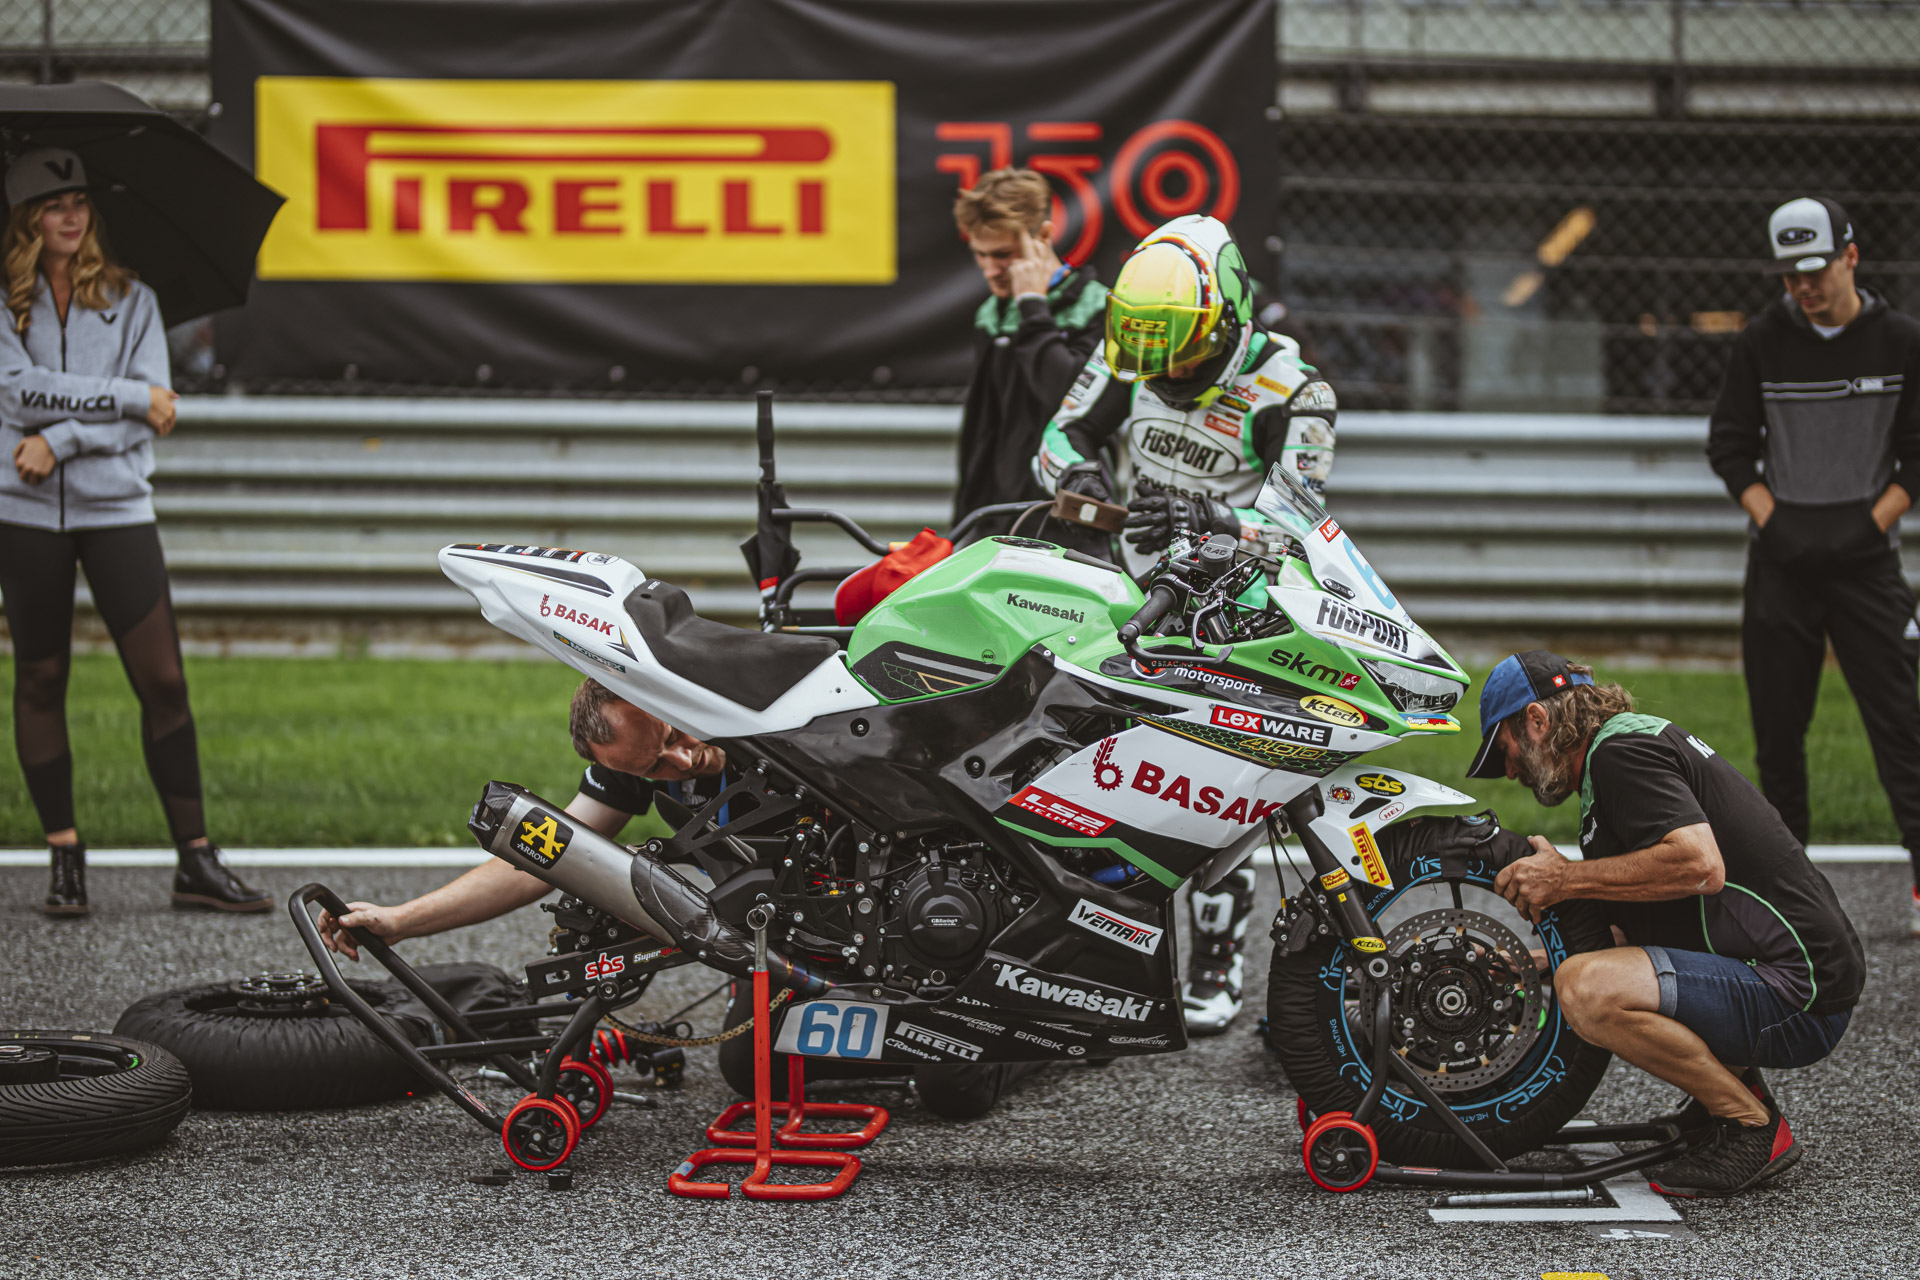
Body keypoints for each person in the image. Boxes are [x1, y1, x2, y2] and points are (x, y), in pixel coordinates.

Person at [1034, 212, 1339, 1035]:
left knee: (1215, 784)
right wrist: (1080, 472)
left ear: (1228, 320)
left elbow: (1304, 526)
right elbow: (1060, 432)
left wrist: (1219, 518)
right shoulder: (1133, 345)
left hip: (1235, 608)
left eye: (1185, 356)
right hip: (1127, 592)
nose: (1166, 373)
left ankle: (1217, 956)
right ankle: (1097, 953)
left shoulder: (1297, 390)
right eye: (1152, 359)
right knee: (1098, 771)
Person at [1471, 649, 1864, 1198]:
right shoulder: (1618, 758)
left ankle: (1750, 1125)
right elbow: (1637, 933)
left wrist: (1566, 879)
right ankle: (1726, 1098)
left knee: (1585, 989)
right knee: (1583, 972)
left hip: (1798, 995)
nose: (1510, 771)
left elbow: (1700, 865)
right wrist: (1528, 964)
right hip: (1791, 977)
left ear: (1536, 720)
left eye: (1505, 751)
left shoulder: (1620, 755)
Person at [0, 148, 266, 915]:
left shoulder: (133, 299)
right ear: (27, 220)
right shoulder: (6, 305)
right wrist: (123, 398)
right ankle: (64, 858)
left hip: (118, 510)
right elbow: (17, 396)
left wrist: (61, 441)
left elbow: (160, 409)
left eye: (80, 201)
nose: (72, 216)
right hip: (24, 515)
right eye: (55, 205)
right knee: (40, 678)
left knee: (164, 682)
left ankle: (196, 860)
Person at [1706, 196, 1920, 938]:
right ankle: (1791, 900)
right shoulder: (1761, 341)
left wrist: (1866, 524)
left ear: (1851, 257)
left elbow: (1917, 455)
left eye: (1816, 270)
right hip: (1782, 566)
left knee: (1901, 727)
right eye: (1789, 274)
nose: (1803, 286)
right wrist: (1779, 521)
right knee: (1778, 736)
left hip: (1869, 566)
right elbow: (1729, 445)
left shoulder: (1900, 341)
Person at [319, 679, 724, 956]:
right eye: (654, 767)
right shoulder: (630, 760)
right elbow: (547, 860)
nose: (684, 760)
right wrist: (399, 920)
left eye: (672, 735)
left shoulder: (744, 705)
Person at [949, 169, 1108, 543]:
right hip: (992, 519)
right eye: (980, 254)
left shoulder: (1097, 306)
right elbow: (981, 434)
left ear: (1044, 236)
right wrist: (964, 523)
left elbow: (1072, 403)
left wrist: (1033, 306)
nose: (990, 269)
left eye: (1003, 255)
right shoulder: (992, 313)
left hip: (1068, 521)